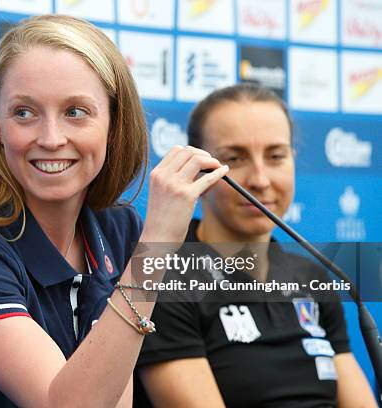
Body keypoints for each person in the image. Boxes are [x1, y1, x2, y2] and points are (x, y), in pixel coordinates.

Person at [0, 15, 228, 408]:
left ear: (114, 123)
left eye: (76, 112)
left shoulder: (116, 229)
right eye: (25, 113)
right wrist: (158, 245)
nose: (50, 138)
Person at [134, 83, 377, 408]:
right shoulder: (161, 279)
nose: (261, 180)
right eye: (235, 158)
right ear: (199, 170)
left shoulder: (310, 275)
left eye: (276, 156)